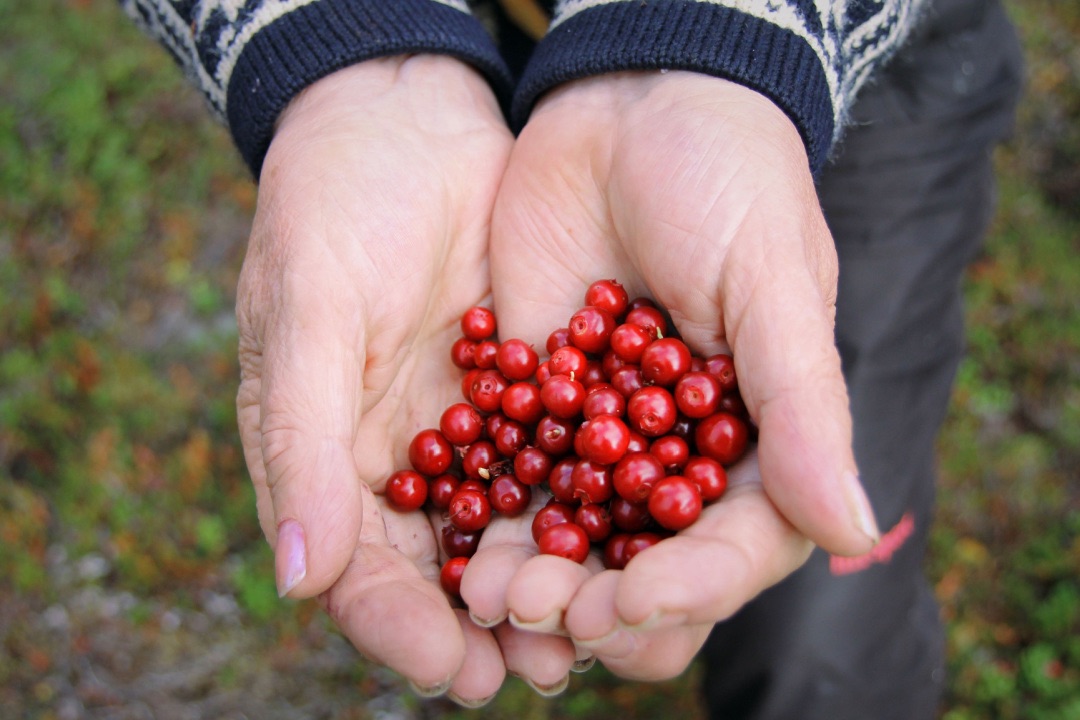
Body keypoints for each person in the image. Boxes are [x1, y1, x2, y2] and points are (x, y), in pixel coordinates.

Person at [119, 0, 1022, 715]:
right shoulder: (542, 424)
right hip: (470, 45)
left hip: (837, 82)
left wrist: (715, 28)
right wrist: (346, 42)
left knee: (818, 632)